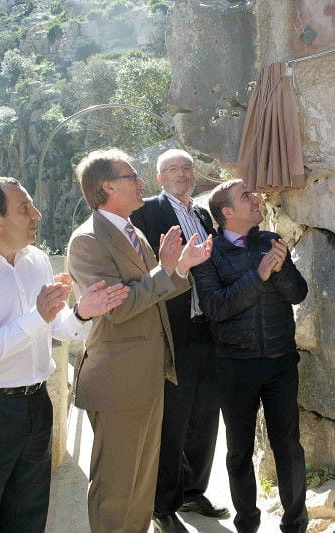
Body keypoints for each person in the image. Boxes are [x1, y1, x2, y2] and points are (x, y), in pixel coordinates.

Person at [0, 176, 129, 532]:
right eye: (24, 207)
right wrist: (38, 316)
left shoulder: (36, 259)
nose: (36, 213)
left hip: (37, 405)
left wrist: (83, 312)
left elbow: (54, 330)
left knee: (29, 515)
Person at [66, 148, 213, 533]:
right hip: (118, 381)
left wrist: (181, 267)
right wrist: (168, 271)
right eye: (133, 177)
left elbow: (157, 290)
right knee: (116, 489)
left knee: (141, 487)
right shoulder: (88, 241)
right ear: (108, 187)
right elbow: (119, 306)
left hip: (149, 375)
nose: (142, 183)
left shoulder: (132, 233)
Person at [193, 179, 309, 533]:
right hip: (234, 366)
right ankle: (247, 522)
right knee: (239, 451)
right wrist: (258, 276)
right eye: (247, 196)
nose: (257, 199)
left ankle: (295, 522)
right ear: (227, 212)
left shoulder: (270, 240)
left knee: (288, 445)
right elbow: (215, 307)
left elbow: (298, 293)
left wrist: (281, 267)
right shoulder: (207, 252)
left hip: (280, 363)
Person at [130, 148, 228, 531]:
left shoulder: (202, 213)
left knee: (205, 415)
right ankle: (163, 504)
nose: (182, 174)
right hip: (173, 328)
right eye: (173, 168)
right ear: (160, 178)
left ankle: (193, 491)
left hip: (208, 326)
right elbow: (141, 269)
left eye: (187, 167)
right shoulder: (147, 212)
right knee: (172, 420)